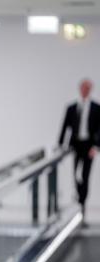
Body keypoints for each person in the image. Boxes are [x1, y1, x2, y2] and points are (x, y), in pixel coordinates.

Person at [58, 78, 100, 214]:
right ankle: (79, 195)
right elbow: (65, 127)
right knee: (76, 173)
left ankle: (82, 202)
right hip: (75, 145)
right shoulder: (72, 107)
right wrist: (60, 144)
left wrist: (96, 146)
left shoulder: (96, 107)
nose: (85, 90)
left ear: (90, 89)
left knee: (86, 175)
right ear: (80, 89)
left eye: (87, 88)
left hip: (89, 145)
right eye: (83, 87)